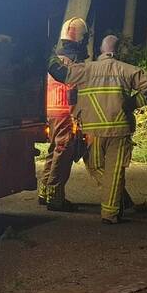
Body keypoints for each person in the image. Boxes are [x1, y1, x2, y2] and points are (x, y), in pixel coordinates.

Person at [47, 34, 147, 223]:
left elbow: (60, 73)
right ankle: (111, 213)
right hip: (119, 130)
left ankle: (113, 209)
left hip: (93, 131)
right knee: (114, 171)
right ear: (118, 50)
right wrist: (132, 103)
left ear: (100, 50)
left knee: (95, 166)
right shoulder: (128, 70)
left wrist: (47, 53)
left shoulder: (86, 69)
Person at [38, 17, 88, 211]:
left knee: (54, 150)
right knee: (63, 152)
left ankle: (44, 192)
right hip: (65, 112)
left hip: (49, 111)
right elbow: (74, 91)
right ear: (82, 39)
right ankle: (55, 196)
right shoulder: (75, 62)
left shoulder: (57, 59)